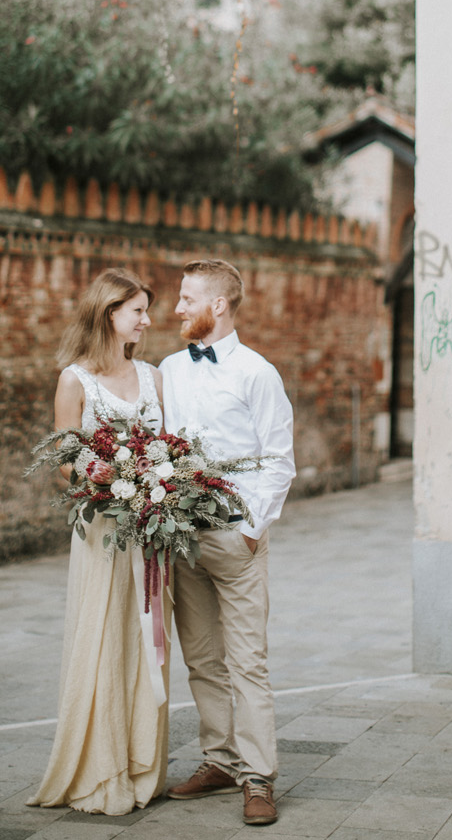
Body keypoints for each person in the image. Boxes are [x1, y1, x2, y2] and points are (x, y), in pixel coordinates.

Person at [28, 267, 170, 816]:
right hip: (103, 532)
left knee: (145, 642)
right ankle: (98, 768)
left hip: (151, 532)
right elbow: (64, 465)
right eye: (138, 310)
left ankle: (142, 764)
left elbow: (171, 448)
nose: (147, 320)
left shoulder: (154, 376)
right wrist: (115, 485)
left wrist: (160, 489)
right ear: (110, 313)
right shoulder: (75, 380)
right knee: (104, 635)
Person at [160, 258, 295, 828]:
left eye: (188, 298)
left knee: (248, 664)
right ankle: (219, 760)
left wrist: (250, 531)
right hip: (182, 540)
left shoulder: (258, 374)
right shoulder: (168, 368)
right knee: (201, 659)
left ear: (218, 305)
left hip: (235, 541)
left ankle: (258, 777)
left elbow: (278, 462)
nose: (177, 308)